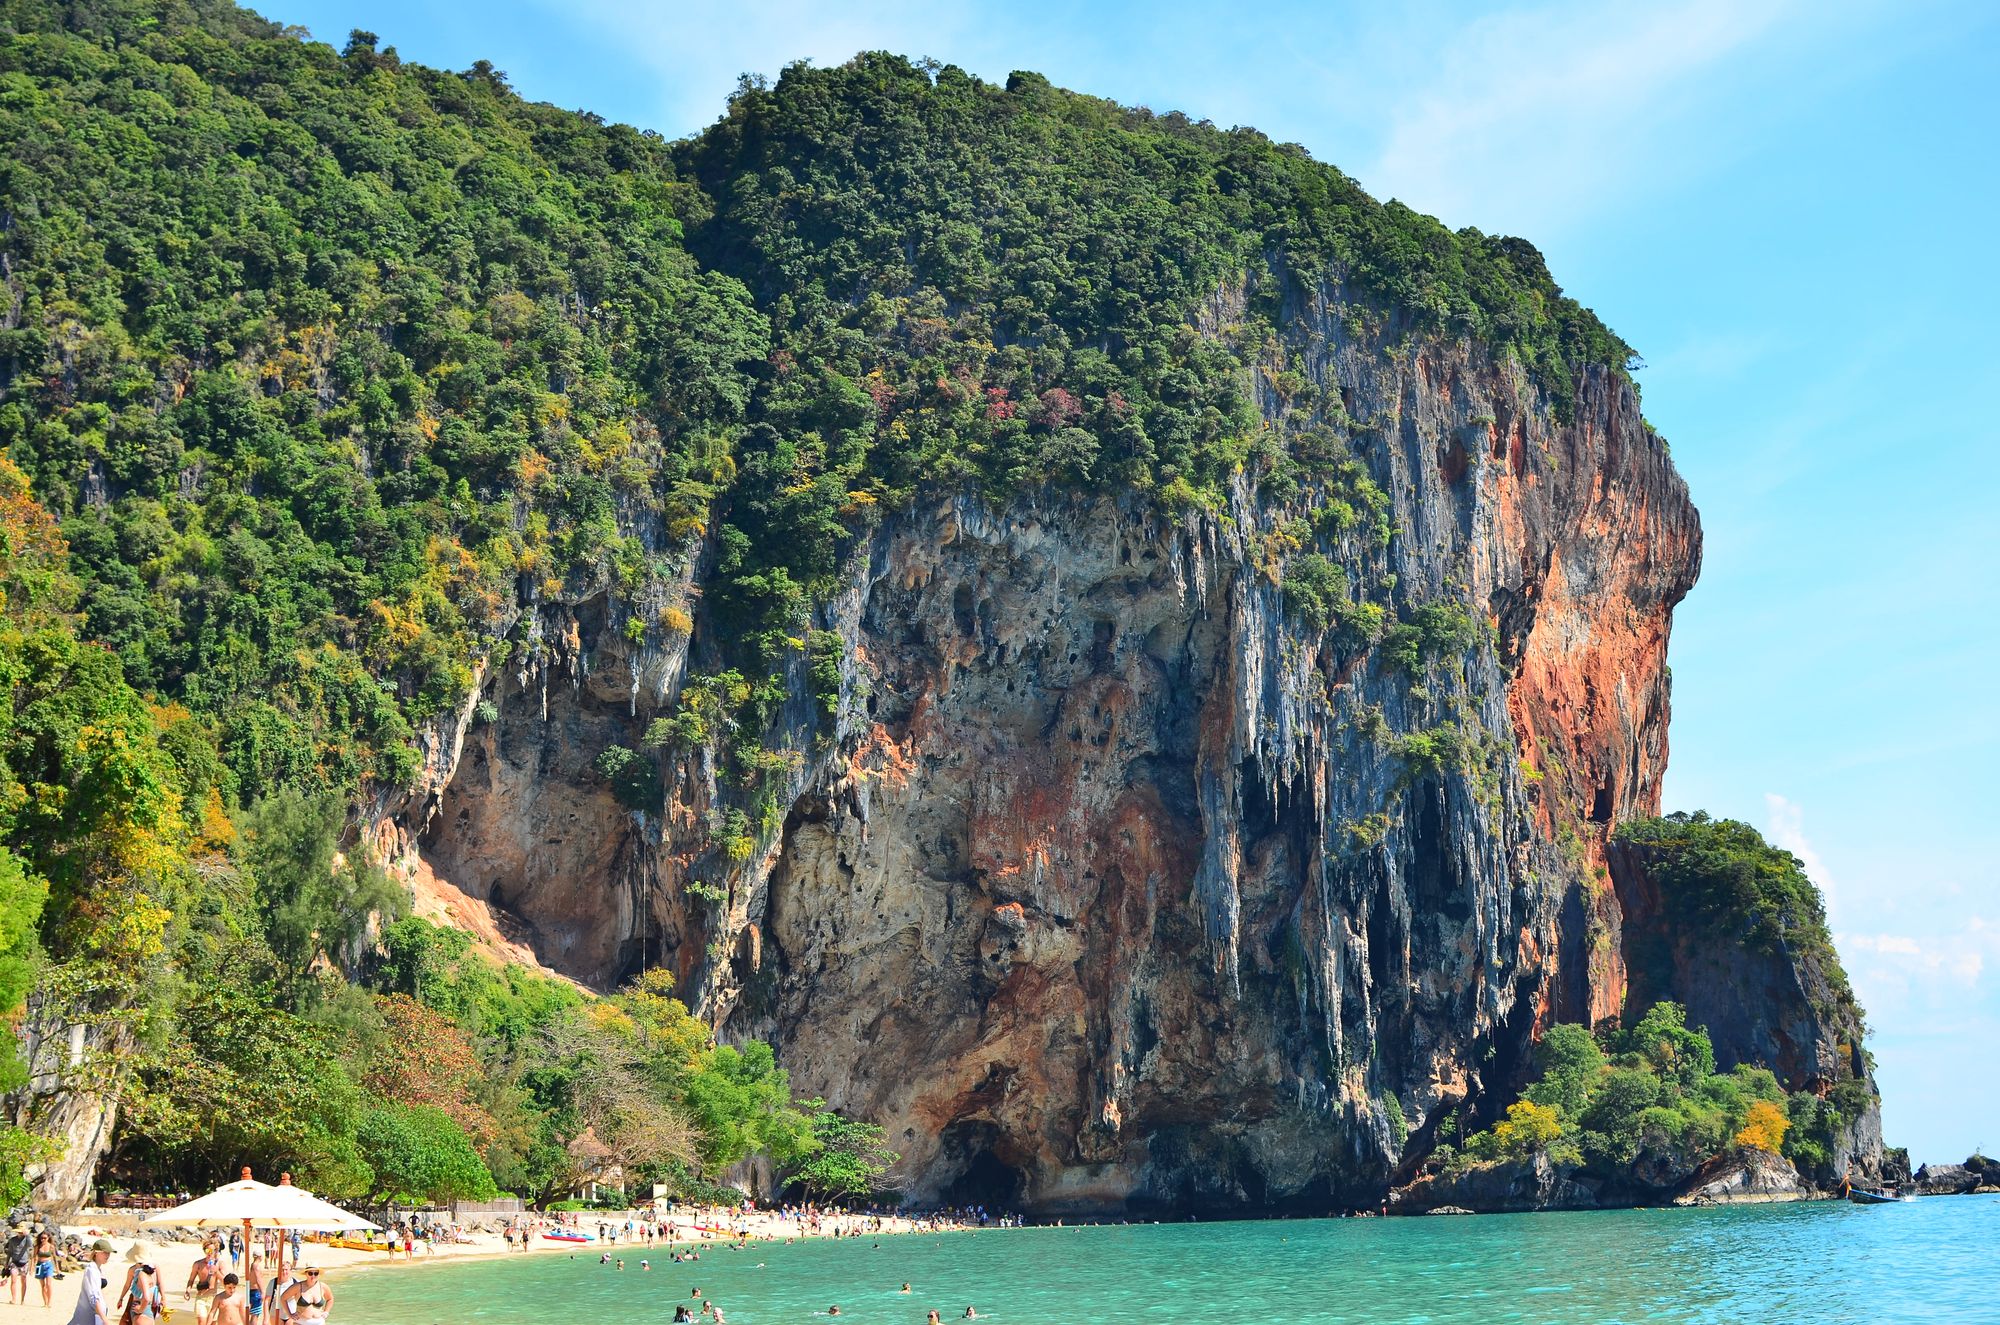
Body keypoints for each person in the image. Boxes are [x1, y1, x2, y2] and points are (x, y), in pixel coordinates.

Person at [69, 1238, 115, 1325]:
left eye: (109, 1253)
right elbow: (93, 1296)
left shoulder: (98, 1269)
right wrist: (104, 1318)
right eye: (105, 1252)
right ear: (96, 1253)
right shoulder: (91, 1269)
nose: (108, 1255)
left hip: (95, 1315)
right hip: (88, 1315)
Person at [115, 1243, 161, 1323]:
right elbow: (159, 1284)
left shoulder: (141, 1273)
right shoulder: (151, 1271)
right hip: (148, 1309)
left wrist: (140, 1309)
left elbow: (146, 1298)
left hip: (140, 1308)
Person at [4, 1223, 30, 1305]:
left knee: (24, 1281)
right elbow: (10, 1252)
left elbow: (30, 1245)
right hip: (14, 1262)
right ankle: (14, 1299)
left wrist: (27, 1235)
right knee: (13, 1280)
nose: (20, 1233)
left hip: (24, 1262)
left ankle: (22, 1300)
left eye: (22, 1232)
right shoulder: (12, 1240)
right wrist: (7, 1262)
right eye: (19, 1232)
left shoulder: (27, 1239)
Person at [36, 1227, 58, 1308]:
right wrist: (31, 1268)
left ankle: (49, 1302)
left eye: (44, 1238)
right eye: (41, 1238)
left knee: (48, 1284)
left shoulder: (51, 1246)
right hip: (39, 1265)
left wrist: (58, 1270)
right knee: (42, 1285)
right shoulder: (38, 1246)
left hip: (48, 1265)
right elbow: (34, 1257)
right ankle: (45, 1302)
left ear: (48, 1238)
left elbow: (55, 1258)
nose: (42, 1239)